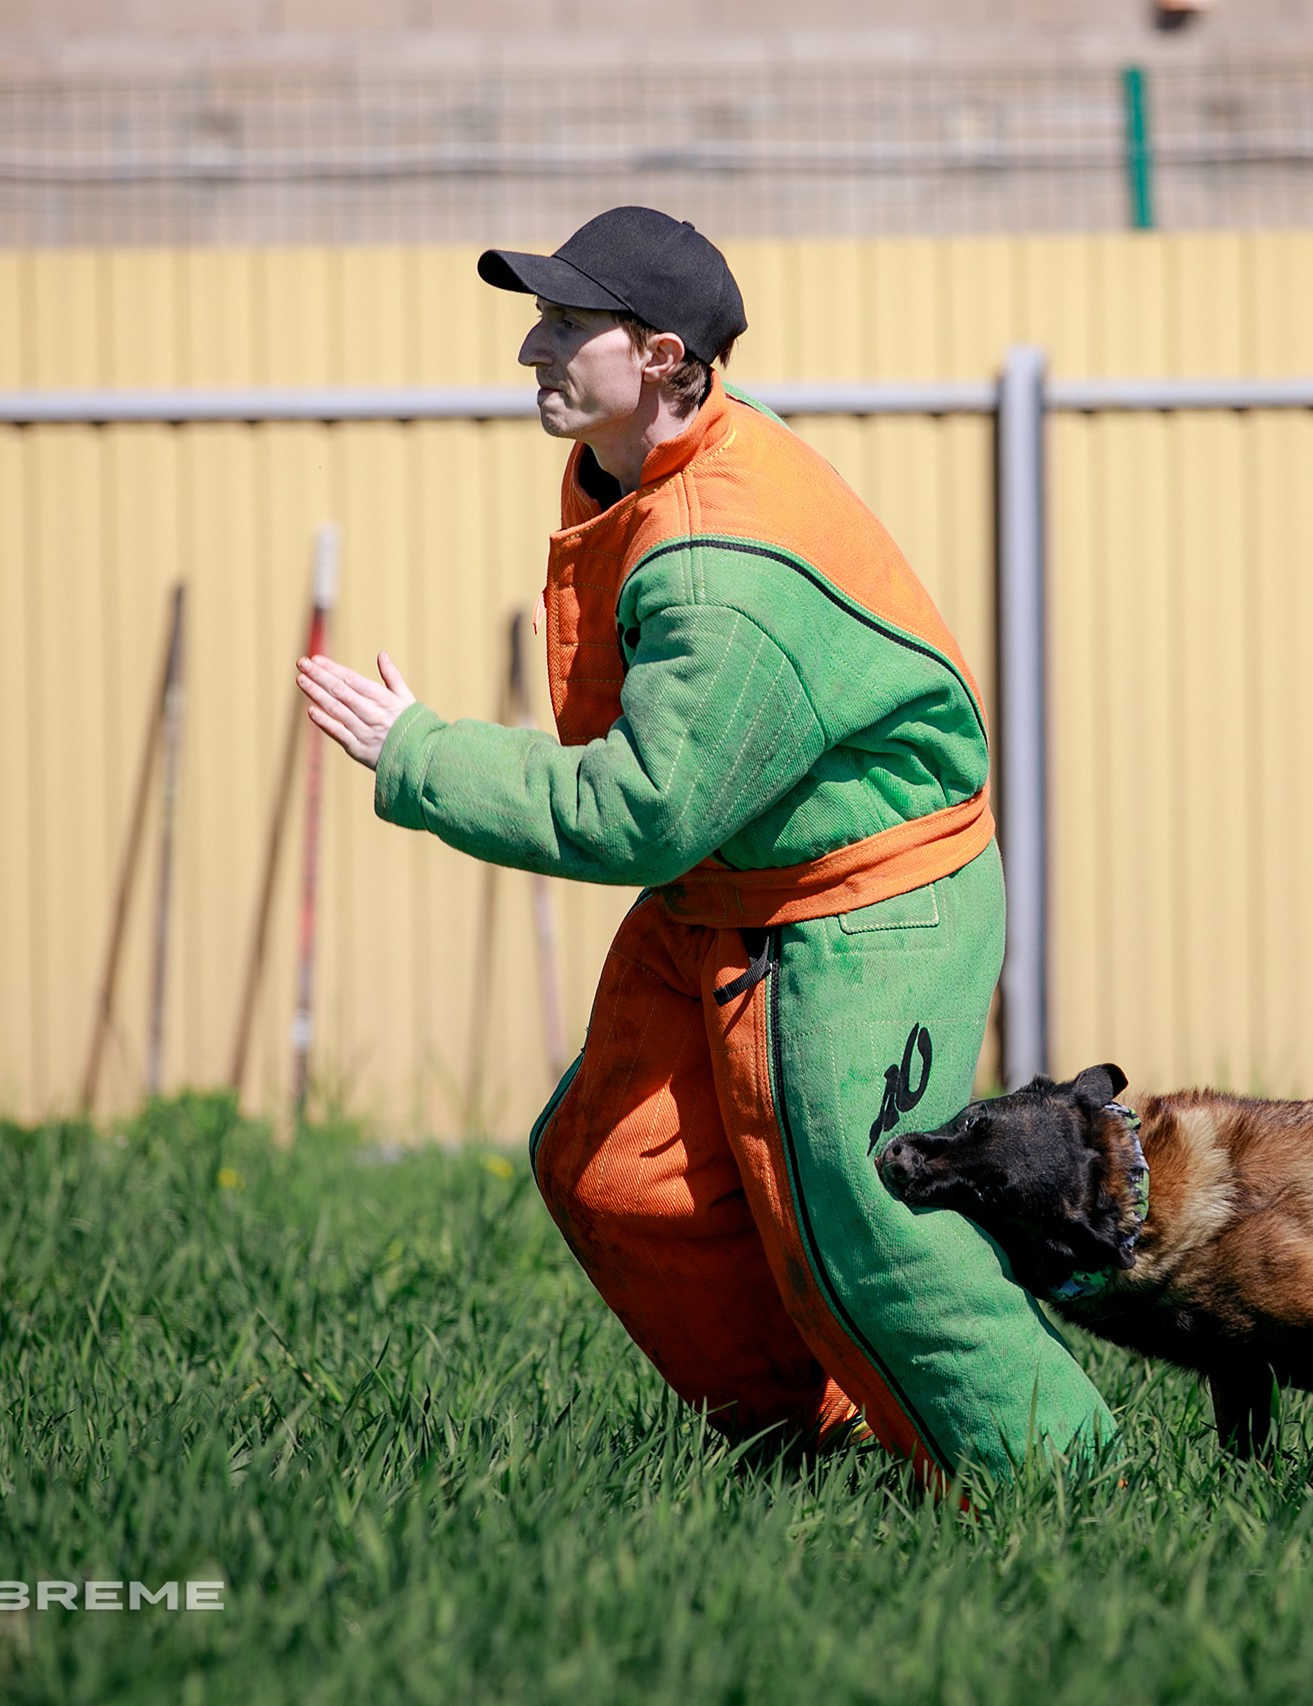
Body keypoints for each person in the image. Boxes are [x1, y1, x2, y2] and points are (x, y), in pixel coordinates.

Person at [295, 206, 1112, 1481]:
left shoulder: (719, 558)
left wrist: (422, 753)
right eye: (540, 317)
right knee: (608, 1167)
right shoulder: (643, 465)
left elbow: (642, 808)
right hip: (731, 884)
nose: (532, 348)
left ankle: (1066, 1479)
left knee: (877, 1218)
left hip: (865, 904)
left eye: (570, 324)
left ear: (665, 355)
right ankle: (818, 1439)